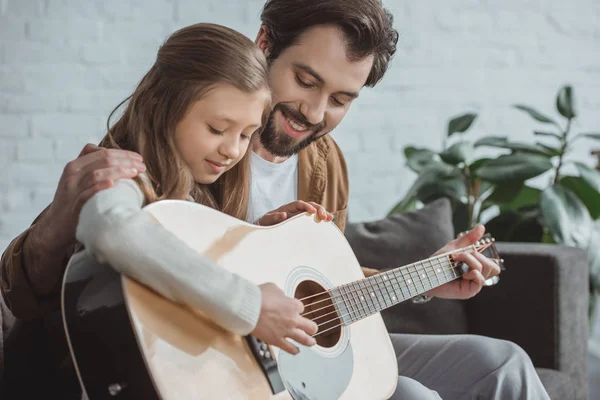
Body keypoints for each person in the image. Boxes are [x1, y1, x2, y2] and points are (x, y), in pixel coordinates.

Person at [1, 1, 550, 399]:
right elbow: (55, 280)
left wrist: (426, 277)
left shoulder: (324, 163)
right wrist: (59, 219)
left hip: (295, 352)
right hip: (215, 363)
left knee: (500, 362)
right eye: (305, 80)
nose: (315, 112)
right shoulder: (179, 139)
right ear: (265, 45)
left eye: (340, 99)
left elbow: (320, 297)